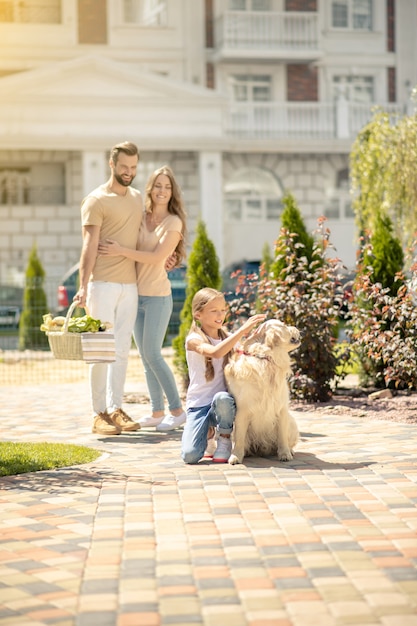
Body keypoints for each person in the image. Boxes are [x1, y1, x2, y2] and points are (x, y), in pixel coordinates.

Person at [98, 165, 187, 432]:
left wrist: (120, 250)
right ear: (150, 188)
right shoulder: (141, 216)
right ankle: (157, 412)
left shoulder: (174, 222)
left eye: (167, 186)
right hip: (135, 296)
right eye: (158, 185)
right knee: (145, 358)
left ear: (172, 193)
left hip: (158, 298)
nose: (162, 191)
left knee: (152, 354)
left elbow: (158, 258)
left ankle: (177, 411)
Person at [73, 141, 143, 436]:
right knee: (101, 351)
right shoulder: (96, 200)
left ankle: (116, 408)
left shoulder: (138, 198)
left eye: (134, 168)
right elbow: (88, 246)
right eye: (124, 167)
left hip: (130, 286)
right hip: (101, 285)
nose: (129, 172)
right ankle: (98, 413)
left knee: (122, 351)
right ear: (111, 165)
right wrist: (82, 286)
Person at [181, 288, 266, 464]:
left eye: (223, 310)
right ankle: (209, 434)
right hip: (198, 405)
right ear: (198, 315)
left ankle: (225, 437)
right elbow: (215, 352)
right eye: (214, 311)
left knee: (222, 398)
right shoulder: (193, 339)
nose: (220, 315)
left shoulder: (227, 337)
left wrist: (257, 337)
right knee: (190, 456)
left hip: (223, 406)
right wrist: (242, 330)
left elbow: (245, 351)